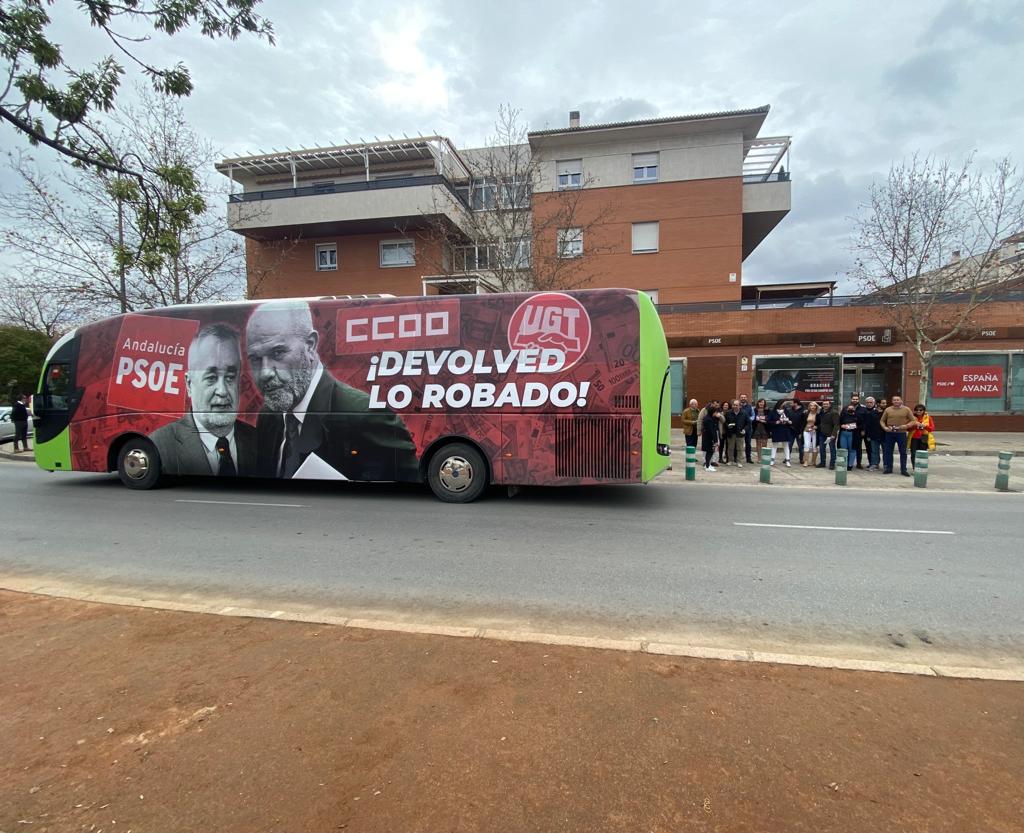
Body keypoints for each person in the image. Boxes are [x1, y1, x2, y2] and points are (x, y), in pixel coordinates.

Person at [245, 300, 419, 481]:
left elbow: (408, 483)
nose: (265, 373)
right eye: (255, 359)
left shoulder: (364, 414)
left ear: (310, 345)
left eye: (278, 353)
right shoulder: (269, 415)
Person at [150, 324, 257, 476]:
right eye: (211, 378)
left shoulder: (262, 441)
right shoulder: (160, 446)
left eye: (230, 377)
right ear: (189, 384)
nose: (222, 391)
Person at [880, 395, 915, 476]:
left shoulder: (906, 409)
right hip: (890, 433)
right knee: (888, 451)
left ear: (901, 401)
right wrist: (885, 428)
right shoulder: (888, 410)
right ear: (892, 401)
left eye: (898, 400)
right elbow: (882, 421)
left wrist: (906, 426)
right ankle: (888, 468)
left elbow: (913, 420)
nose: (896, 401)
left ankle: (903, 469)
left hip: (901, 433)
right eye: (894, 400)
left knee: (903, 452)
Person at [769, 399, 793, 467]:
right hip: (776, 430)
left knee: (786, 445)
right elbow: (769, 421)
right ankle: (772, 460)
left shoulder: (787, 411)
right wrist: (775, 422)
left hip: (785, 430)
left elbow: (790, 419)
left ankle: (787, 460)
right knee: (774, 445)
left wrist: (789, 422)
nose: (784, 405)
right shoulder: (773, 412)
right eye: (783, 404)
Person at [816, 399, 839, 470]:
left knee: (832, 449)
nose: (825, 405)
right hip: (822, 434)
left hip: (830, 435)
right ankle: (822, 462)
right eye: (824, 404)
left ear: (830, 405)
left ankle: (832, 464)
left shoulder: (834, 412)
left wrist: (833, 434)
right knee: (822, 449)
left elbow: (836, 424)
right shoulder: (821, 412)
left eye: (827, 404)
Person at [726, 399, 749, 468]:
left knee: (740, 448)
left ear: (740, 406)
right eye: (734, 405)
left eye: (736, 405)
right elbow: (725, 422)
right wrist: (728, 426)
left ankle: (739, 462)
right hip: (731, 433)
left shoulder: (744, 413)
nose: (735, 406)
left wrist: (745, 430)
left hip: (740, 433)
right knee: (730, 448)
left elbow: (748, 423)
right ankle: (730, 460)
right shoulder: (728, 413)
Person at [862, 397, 883, 471]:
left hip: (881, 433)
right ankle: (872, 463)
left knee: (880, 450)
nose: (869, 404)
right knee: (871, 449)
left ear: (874, 403)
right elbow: (866, 424)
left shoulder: (878, 411)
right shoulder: (864, 410)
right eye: (868, 402)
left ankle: (879, 464)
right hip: (869, 434)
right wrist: (866, 434)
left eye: (871, 402)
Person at [837, 402, 860, 471]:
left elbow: (861, 425)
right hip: (843, 433)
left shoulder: (857, 416)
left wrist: (853, 426)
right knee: (843, 449)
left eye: (852, 408)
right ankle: (844, 463)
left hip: (853, 434)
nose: (850, 409)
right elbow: (838, 423)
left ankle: (850, 465)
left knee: (852, 449)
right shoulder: (843, 415)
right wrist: (841, 426)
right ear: (846, 409)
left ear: (854, 409)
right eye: (849, 408)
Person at [786, 398, 806, 464]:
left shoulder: (803, 411)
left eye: (791, 403)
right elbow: (787, 418)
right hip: (791, 430)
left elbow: (804, 422)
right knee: (789, 445)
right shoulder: (790, 410)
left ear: (796, 403)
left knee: (801, 446)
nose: (790, 404)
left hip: (799, 431)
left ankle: (801, 459)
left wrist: (801, 432)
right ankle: (787, 458)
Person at [701, 404, 720, 471]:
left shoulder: (710, 418)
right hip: (709, 438)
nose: (716, 413)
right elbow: (711, 431)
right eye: (715, 412)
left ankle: (708, 465)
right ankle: (707, 466)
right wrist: (715, 440)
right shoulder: (708, 419)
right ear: (712, 412)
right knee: (709, 451)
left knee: (710, 452)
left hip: (708, 438)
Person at [802, 401, 820, 467]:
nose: (812, 407)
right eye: (811, 405)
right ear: (809, 407)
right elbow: (802, 422)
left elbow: (820, 423)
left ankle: (813, 461)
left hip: (815, 431)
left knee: (815, 446)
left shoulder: (818, 414)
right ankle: (806, 461)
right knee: (806, 445)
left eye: (814, 405)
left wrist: (816, 427)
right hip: (806, 430)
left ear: (816, 407)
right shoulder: (806, 413)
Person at [738, 393, 755, 463]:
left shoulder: (750, 407)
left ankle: (748, 458)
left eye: (744, 397)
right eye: (742, 397)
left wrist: (748, 419)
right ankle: (738, 457)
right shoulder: (738, 406)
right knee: (739, 443)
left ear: (746, 398)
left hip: (748, 428)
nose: (743, 398)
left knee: (748, 443)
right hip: (740, 428)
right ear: (740, 398)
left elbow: (753, 416)